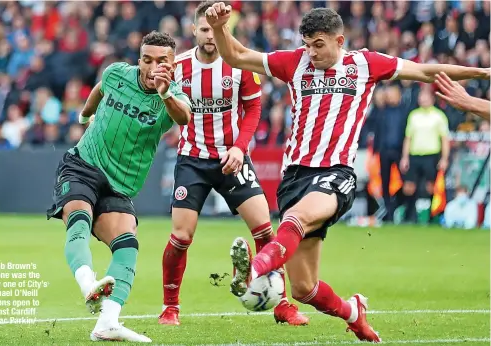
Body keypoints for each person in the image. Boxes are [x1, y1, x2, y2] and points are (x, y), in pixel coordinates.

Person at [205, 3, 489, 342]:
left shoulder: (365, 64)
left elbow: (427, 71)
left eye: (318, 45)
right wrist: (221, 28)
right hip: (295, 176)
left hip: (335, 174)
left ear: (339, 40)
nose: (311, 52)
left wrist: (482, 73)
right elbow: (236, 57)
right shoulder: (293, 62)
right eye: (307, 44)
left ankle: (254, 270)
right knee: (304, 289)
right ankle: (353, 312)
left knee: (295, 218)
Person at [158, 1, 308, 327]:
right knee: (181, 236)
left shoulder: (240, 64)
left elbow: (254, 110)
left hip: (233, 158)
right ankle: (171, 308)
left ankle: (283, 304)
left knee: (266, 229)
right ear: (194, 30)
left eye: (215, 30)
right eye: (204, 30)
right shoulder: (179, 67)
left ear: (225, 30)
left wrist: (240, 148)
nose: (210, 36)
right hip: (193, 159)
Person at [46, 31, 191, 343]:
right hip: (82, 164)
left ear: (173, 64)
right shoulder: (116, 73)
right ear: (139, 61)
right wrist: (85, 115)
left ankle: (107, 322)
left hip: (119, 186)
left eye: (161, 61)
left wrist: (165, 94)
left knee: (127, 243)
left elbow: (184, 118)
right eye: (147, 60)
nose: (153, 68)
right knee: (79, 219)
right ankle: (88, 283)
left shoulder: (174, 97)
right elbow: (99, 89)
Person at [400, 88, 450, 223]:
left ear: (432, 99)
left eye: (426, 97)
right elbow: (408, 138)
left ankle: (431, 217)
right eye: (421, 97)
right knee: (409, 187)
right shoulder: (413, 115)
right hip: (415, 155)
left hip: (431, 155)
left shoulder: (439, 116)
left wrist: (444, 158)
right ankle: (409, 216)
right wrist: (405, 157)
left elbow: (444, 139)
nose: (423, 99)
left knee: (430, 187)